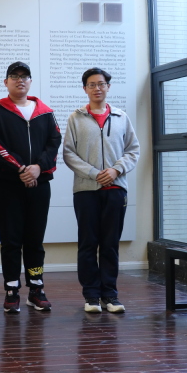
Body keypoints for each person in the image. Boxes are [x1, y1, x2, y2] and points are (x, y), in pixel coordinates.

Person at [0, 62, 61, 314]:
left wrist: (38, 167)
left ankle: (36, 288)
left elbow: (54, 142)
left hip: (39, 185)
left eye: (24, 76)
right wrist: (21, 170)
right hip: (7, 186)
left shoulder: (45, 112)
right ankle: (11, 290)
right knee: (11, 241)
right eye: (14, 76)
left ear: (30, 81)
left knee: (35, 240)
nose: (20, 80)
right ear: (6, 82)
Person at [63, 67, 139, 314]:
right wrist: (94, 173)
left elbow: (133, 150)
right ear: (85, 88)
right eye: (92, 84)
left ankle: (110, 295)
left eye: (101, 84)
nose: (97, 88)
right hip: (86, 189)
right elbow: (68, 153)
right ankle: (91, 296)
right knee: (88, 243)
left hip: (116, 189)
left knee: (110, 244)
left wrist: (116, 170)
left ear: (108, 87)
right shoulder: (75, 118)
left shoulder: (121, 117)